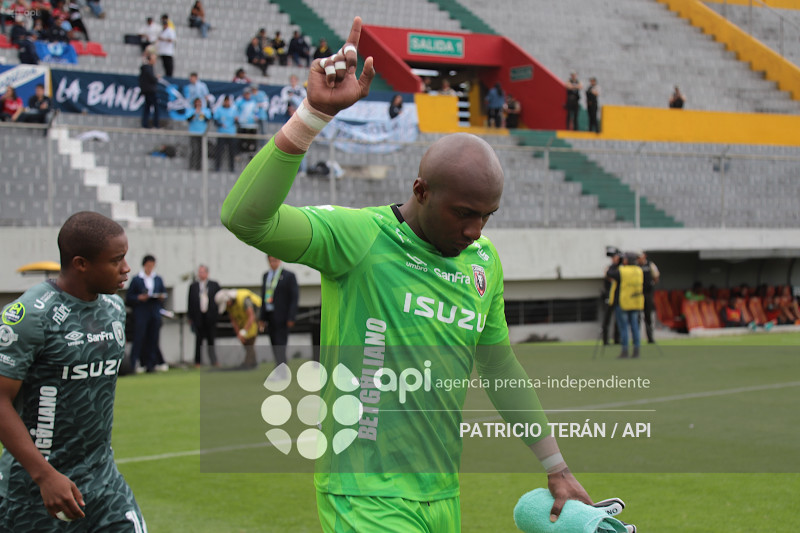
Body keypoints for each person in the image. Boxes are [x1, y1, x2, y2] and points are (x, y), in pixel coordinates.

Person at [221, 17, 591, 531]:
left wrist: (556, 466)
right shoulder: (360, 237)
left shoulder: (484, 262)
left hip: (441, 494)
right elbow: (245, 219)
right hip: (363, 493)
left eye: (487, 216)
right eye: (464, 213)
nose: (474, 231)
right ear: (421, 191)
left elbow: (499, 367)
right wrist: (312, 116)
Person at [0, 211, 147, 530]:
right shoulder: (30, 316)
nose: (126, 268)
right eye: (116, 260)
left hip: (104, 484)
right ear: (81, 263)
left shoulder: (114, 309)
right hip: (35, 492)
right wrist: (44, 476)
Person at [126, 254, 167, 373]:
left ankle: (151, 364)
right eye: (148, 265)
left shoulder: (158, 279)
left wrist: (161, 297)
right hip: (141, 312)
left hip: (154, 311)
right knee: (139, 338)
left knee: (153, 339)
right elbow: (129, 297)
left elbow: (163, 293)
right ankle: (133, 364)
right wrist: (139, 298)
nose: (150, 268)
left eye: (152, 265)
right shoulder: (137, 279)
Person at [259, 255, 298, 379]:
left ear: (279, 260)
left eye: (275, 260)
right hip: (270, 316)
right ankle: (279, 370)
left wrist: (291, 317)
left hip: (282, 317)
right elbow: (264, 297)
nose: (273, 263)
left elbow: (294, 298)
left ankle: (282, 372)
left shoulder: (288, 276)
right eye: (271, 261)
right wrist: (262, 317)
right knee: (274, 344)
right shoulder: (266, 276)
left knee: (281, 344)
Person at [606, 252, 644, 358]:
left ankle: (625, 351)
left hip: (623, 302)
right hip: (635, 302)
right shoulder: (639, 270)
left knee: (624, 328)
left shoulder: (622, 271)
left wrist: (615, 263)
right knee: (635, 327)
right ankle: (636, 350)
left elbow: (609, 273)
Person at [214, 289, 262, 369]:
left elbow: (251, 316)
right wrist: (238, 334)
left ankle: (248, 363)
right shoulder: (229, 306)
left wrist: (243, 332)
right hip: (243, 321)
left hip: (255, 319)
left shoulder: (244, 300)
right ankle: (253, 363)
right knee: (246, 343)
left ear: (229, 299)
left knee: (250, 341)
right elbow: (233, 320)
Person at [187, 264, 220, 367]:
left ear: (207, 273)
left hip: (210, 317)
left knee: (211, 340)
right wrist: (190, 317)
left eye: (203, 272)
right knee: (198, 340)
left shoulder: (214, 285)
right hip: (198, 317)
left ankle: (214, 361)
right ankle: (197, 361)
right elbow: (190, 302)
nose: (201, 274)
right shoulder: (193, 286)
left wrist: (216, 315)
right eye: (199, 272)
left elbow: (219, 300)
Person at [637, 251, 659, 344]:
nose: (639, 259)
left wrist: (651, 284)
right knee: (637, 317)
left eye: (640, 257)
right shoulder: (635, 266)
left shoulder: (650, 265)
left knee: (648, 316)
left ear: (644, 256)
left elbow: (656, 276)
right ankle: (636, 338)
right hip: (638, 294)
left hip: (648, 293)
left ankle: (650, 337)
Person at [601, 250, 621, 346]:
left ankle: (617, 339)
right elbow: (608, 276)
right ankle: (605, 340)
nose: (613, 259)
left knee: (618, 320)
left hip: (618, 297)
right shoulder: (609, 268)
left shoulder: (621, 269)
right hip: (609, 296)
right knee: (606, 319)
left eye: (615, 257)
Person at [213, 95, 237, 172]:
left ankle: (232, 167)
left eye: (228, 101)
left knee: (231, 152)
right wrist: (220, 124)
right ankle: (217, 167)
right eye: (225, 101)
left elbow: (237, 121)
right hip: (222, 133)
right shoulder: (219, 110)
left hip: (231, 133)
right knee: (219, 151)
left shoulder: (233, 110)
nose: (227, 102)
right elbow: (215, 121)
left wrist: (236, 120)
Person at [186, 97, 211, 170]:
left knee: (201, 150)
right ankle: (191, 166)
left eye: (199, 102)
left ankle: (198, 167)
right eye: (197, 102)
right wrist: (195, 113)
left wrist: (201, 113)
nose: (198, 104)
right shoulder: (191, 111)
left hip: (202, 134)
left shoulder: (205, 111)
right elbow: (188, 119)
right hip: (193, 133)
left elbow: (208, 119)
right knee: (194, 149)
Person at [138, 52, 160, 129]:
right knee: (155, 108)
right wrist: (156, 78)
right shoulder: (148, 68)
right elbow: (152, 79)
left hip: (147, 91)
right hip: (150, 91)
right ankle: (155, 124)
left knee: (147, 108)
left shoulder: (145, 68)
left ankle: (145, 124)